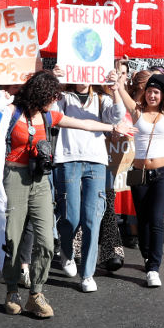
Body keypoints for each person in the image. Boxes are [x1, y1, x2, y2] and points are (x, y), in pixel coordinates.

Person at [1, 70, 134, 318]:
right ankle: (11, 291)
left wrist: (113, 127)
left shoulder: (48, 115)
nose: (57, 99)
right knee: (13, 238)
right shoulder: (11, 112)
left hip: (40, 181)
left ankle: (36, 294)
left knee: (45, 241)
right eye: (53, 95)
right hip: (15, 178)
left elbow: (85, 124)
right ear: (42, 94)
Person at [118, 49, 164, 287]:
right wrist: (120, 65)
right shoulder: (136, 111)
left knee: (157, 219)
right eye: (149, 91)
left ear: (162, 95)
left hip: (163, 174)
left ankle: (154, 268)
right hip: (139, 173)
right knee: (143, 219)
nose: (152, 95)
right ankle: (147, 254)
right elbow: (119, 88)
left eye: (156, 92)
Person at [53, 74, 125, 293]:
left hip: (96, 161)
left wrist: (116, 90)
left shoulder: (101, 98)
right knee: (71, 217)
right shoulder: (63, 96)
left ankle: (87, 274)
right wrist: (57, 81)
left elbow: (117, 117)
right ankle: (66, 249)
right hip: (68, 158)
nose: (82, 76)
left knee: (92, 219)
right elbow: (52, 113)